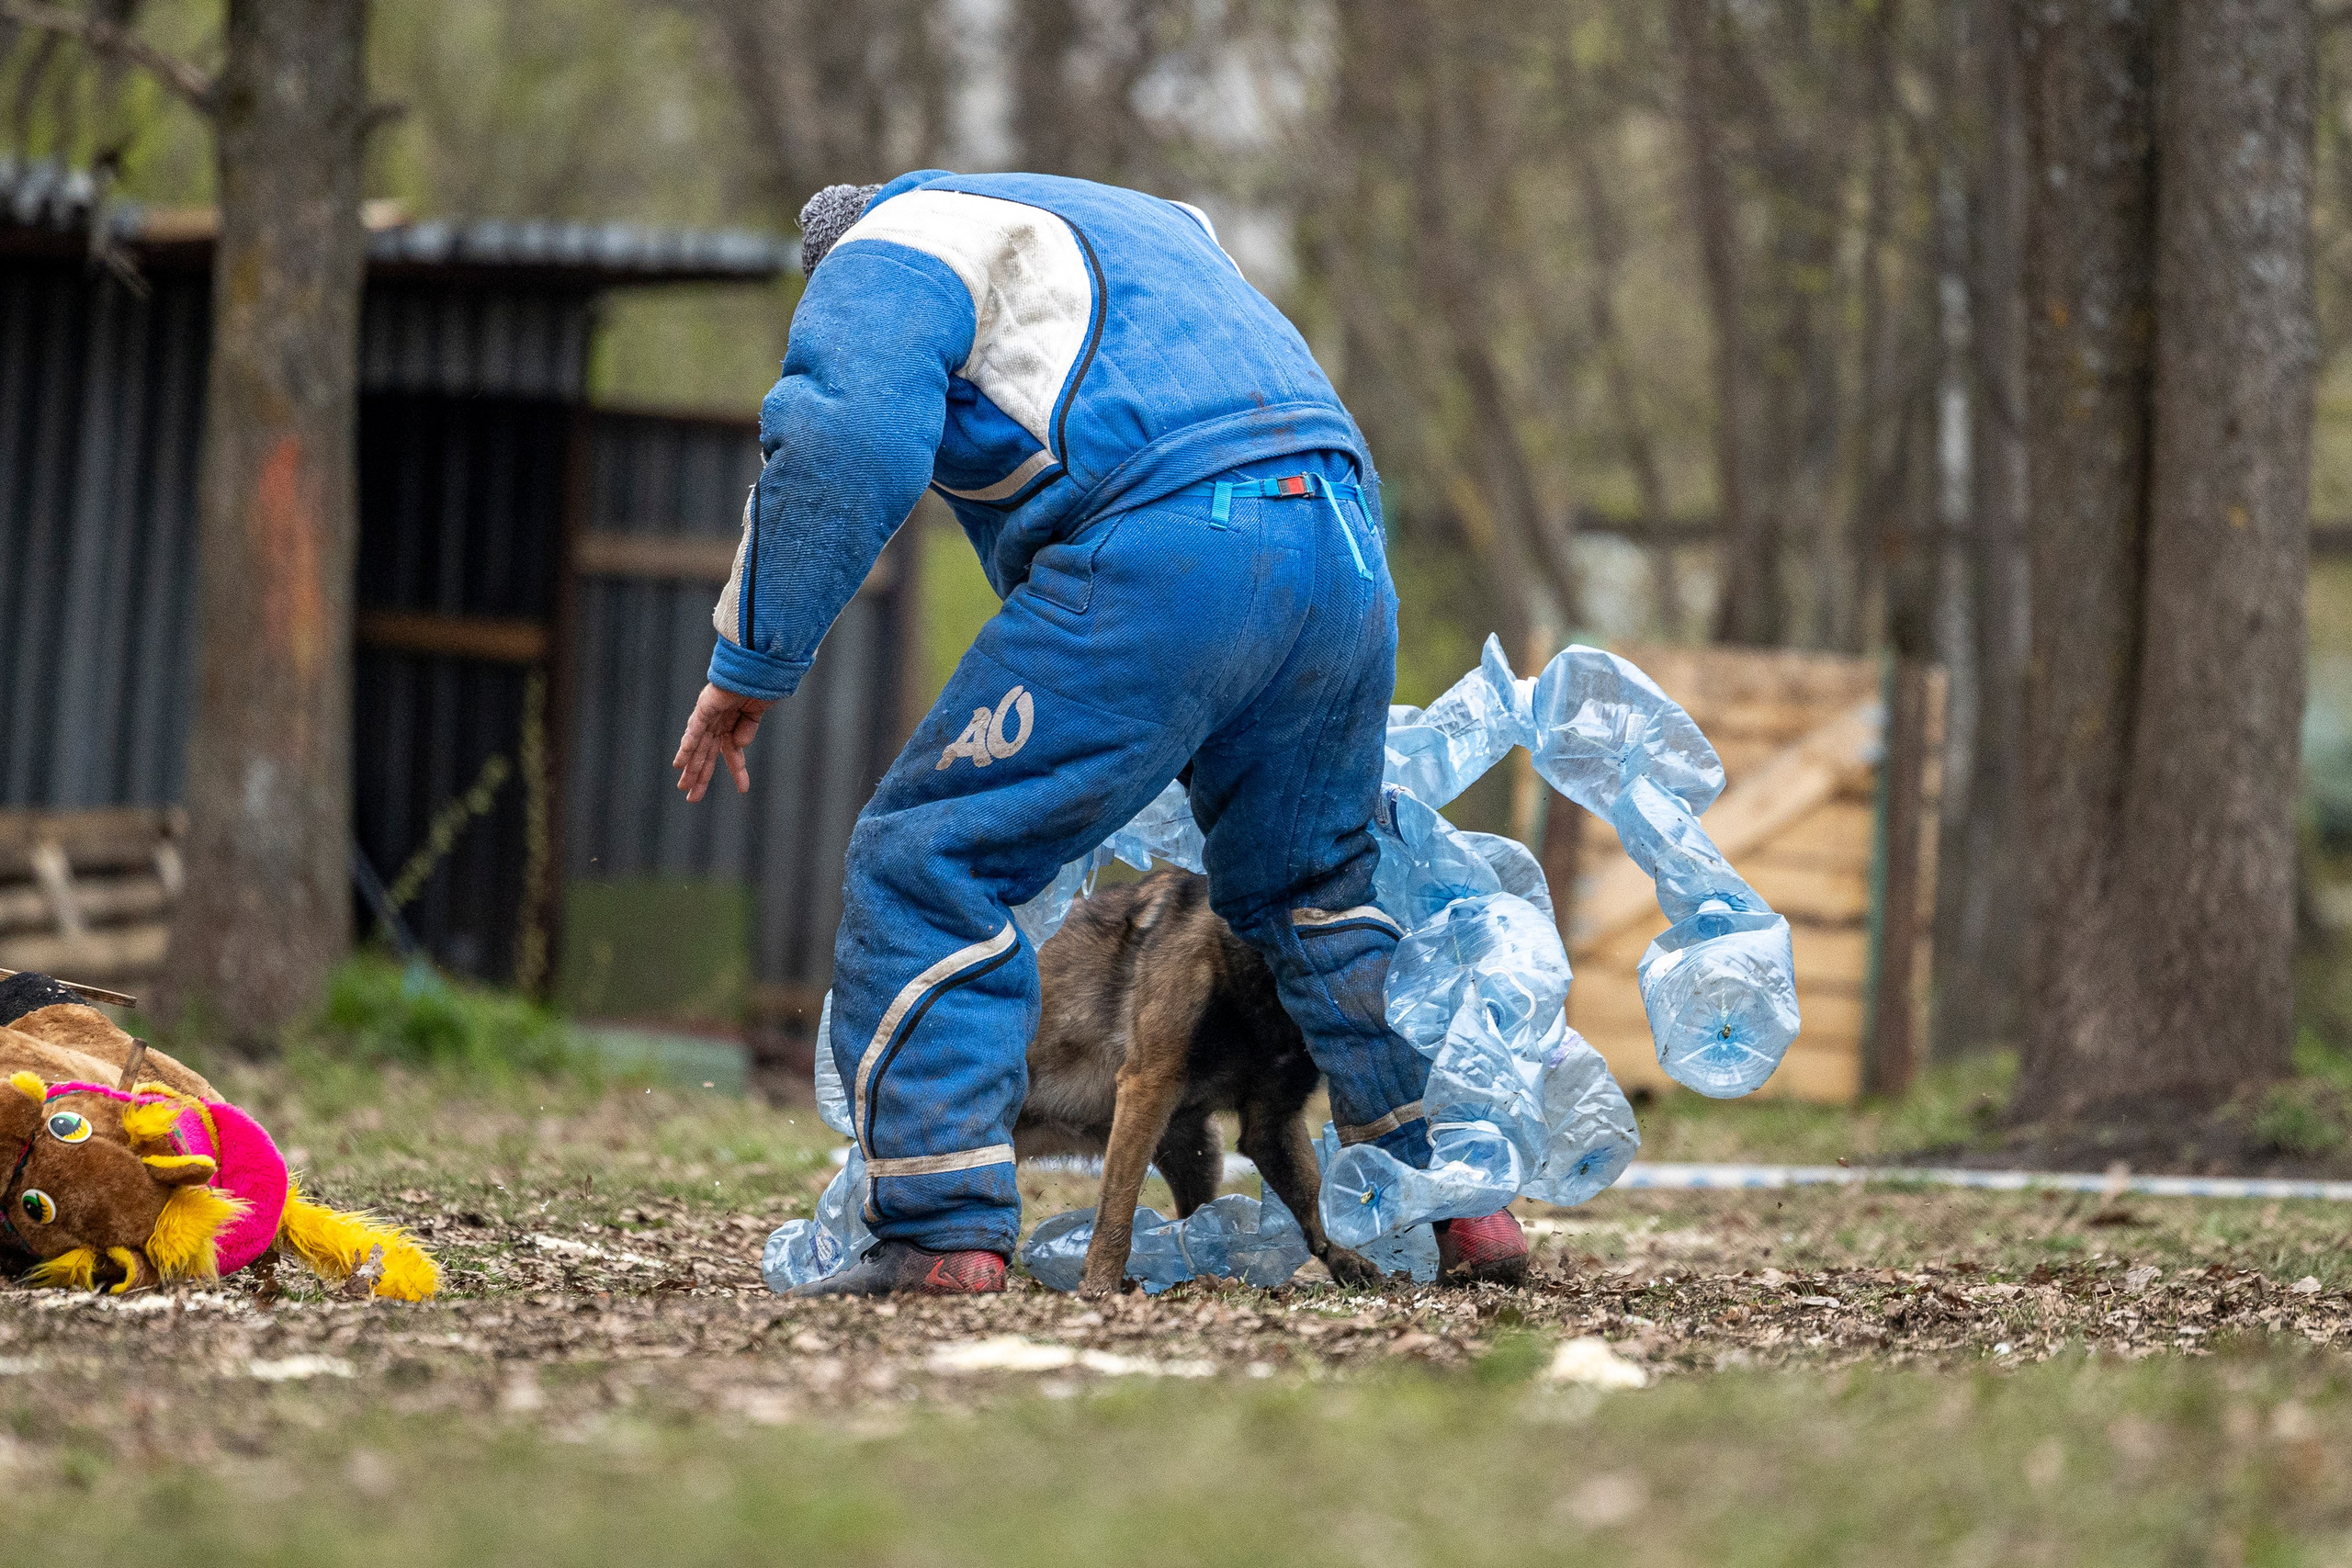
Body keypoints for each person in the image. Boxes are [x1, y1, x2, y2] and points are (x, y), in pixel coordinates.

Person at [672, 171, 1529, 1296]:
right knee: (1316, 883)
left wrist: (752, 660)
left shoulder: (891, 242)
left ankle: (938, 1231)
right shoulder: (1142, 228)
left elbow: (842, 436)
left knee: (930, 852)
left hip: (1176, 549)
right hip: (1343, 542)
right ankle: (1458, 1204)